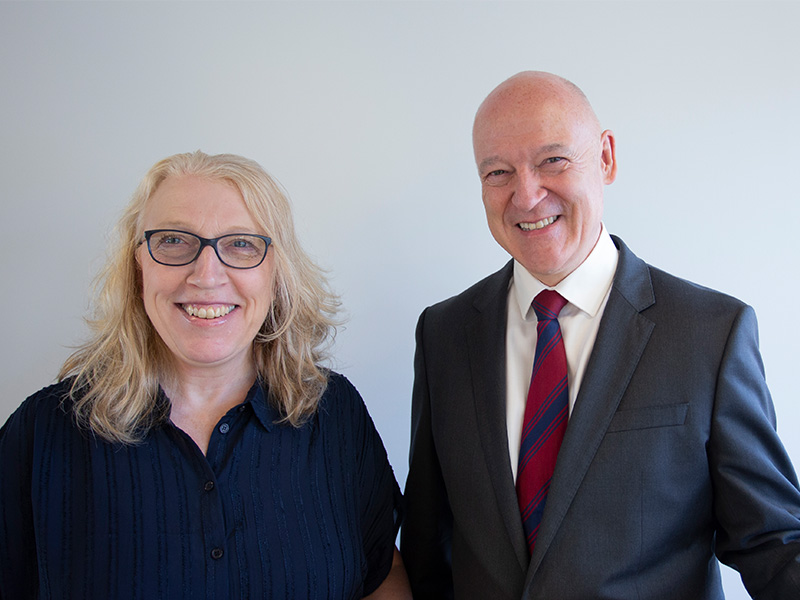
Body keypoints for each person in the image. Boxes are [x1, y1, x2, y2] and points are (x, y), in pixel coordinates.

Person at [400, 71, 800, 599]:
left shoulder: (710, 334)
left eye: (553, 160)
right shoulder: (444, 334)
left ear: (606, 158)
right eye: (498, 171)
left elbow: (773, 541)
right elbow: (429, 547)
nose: (527, 194)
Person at [0, 151, 411, 599]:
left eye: (241, 244)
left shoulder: (334, 414)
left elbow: (381, 573)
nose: (206, 274)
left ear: (276, 272)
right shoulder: (44, 430)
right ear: (138, 264)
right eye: (174, 240)